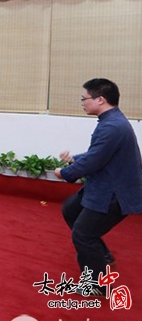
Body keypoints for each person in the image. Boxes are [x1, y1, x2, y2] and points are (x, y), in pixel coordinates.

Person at [54, 78, 142, 296]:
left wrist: (64, 172)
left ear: (100, 99)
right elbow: (98, 155)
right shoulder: (111, 122)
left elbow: (95, 161)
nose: (82, 103)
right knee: (71, 210)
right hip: (106, 184)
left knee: (83, 234)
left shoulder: (112, 126)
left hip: (115, 192)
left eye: (84, 99)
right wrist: (75, 160)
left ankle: (98, 285)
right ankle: (102, 256)